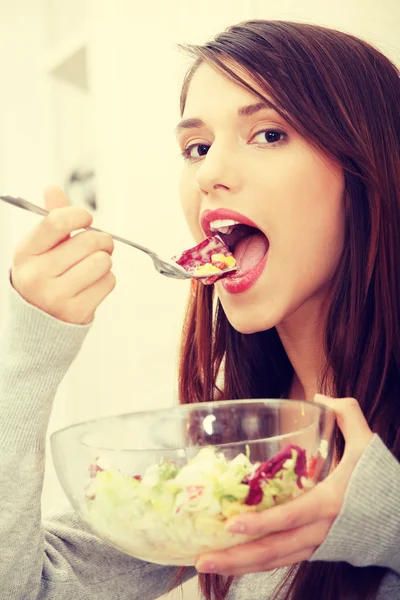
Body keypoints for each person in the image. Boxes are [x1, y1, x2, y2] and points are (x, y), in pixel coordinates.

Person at [1, 18, 399, 600]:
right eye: (197, 147)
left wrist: (384, 520)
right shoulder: (228, 451)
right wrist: (32, 346)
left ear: (367, 164)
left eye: (268, 134)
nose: (208, 173)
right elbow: (30, 589)